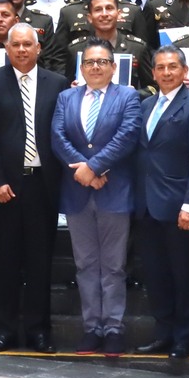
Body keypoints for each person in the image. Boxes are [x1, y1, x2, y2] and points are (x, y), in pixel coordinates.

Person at [0, 22, 66, 354]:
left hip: (44, 185)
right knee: (6, 262)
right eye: (16, 45)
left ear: (38, 48)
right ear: (7, 48)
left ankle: (39, 332)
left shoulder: (57, 83)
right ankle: (4, 331)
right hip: (6, 187)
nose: (22, 50)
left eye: (28, 44)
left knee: (40, 263)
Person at [54, 40, 144, 356]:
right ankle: (92, 328)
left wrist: (93, 167)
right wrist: (85, 171)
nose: (95, 67)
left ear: (113, 67)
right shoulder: (66, 97)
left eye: (102, 62)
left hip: (114, 191)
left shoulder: (128, 96)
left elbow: (127, 136)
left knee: (114, 266)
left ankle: (114, 329)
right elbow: (58, 137)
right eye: (90, 62)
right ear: (81, 68)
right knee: (86, 264)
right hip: (77, 192)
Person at [131, 47, 189, 362]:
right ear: (153, 72)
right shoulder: (145, 105)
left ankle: (184, 338)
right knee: (155, 275)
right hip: (145, 205)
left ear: (184, 71)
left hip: (179, 206)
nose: (166, 72)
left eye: (173, 67)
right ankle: (163, 333)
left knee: (182, 275)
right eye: (161, 67)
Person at [65, 0, 152, 89]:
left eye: (109, 8)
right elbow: (66, 85)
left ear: (119, 14)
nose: (104, 14)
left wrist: (134, 93)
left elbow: (152, 87)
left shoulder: (137, 48)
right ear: (89, 17)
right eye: (98, 9)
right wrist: (73, 90)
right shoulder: (76, 49)